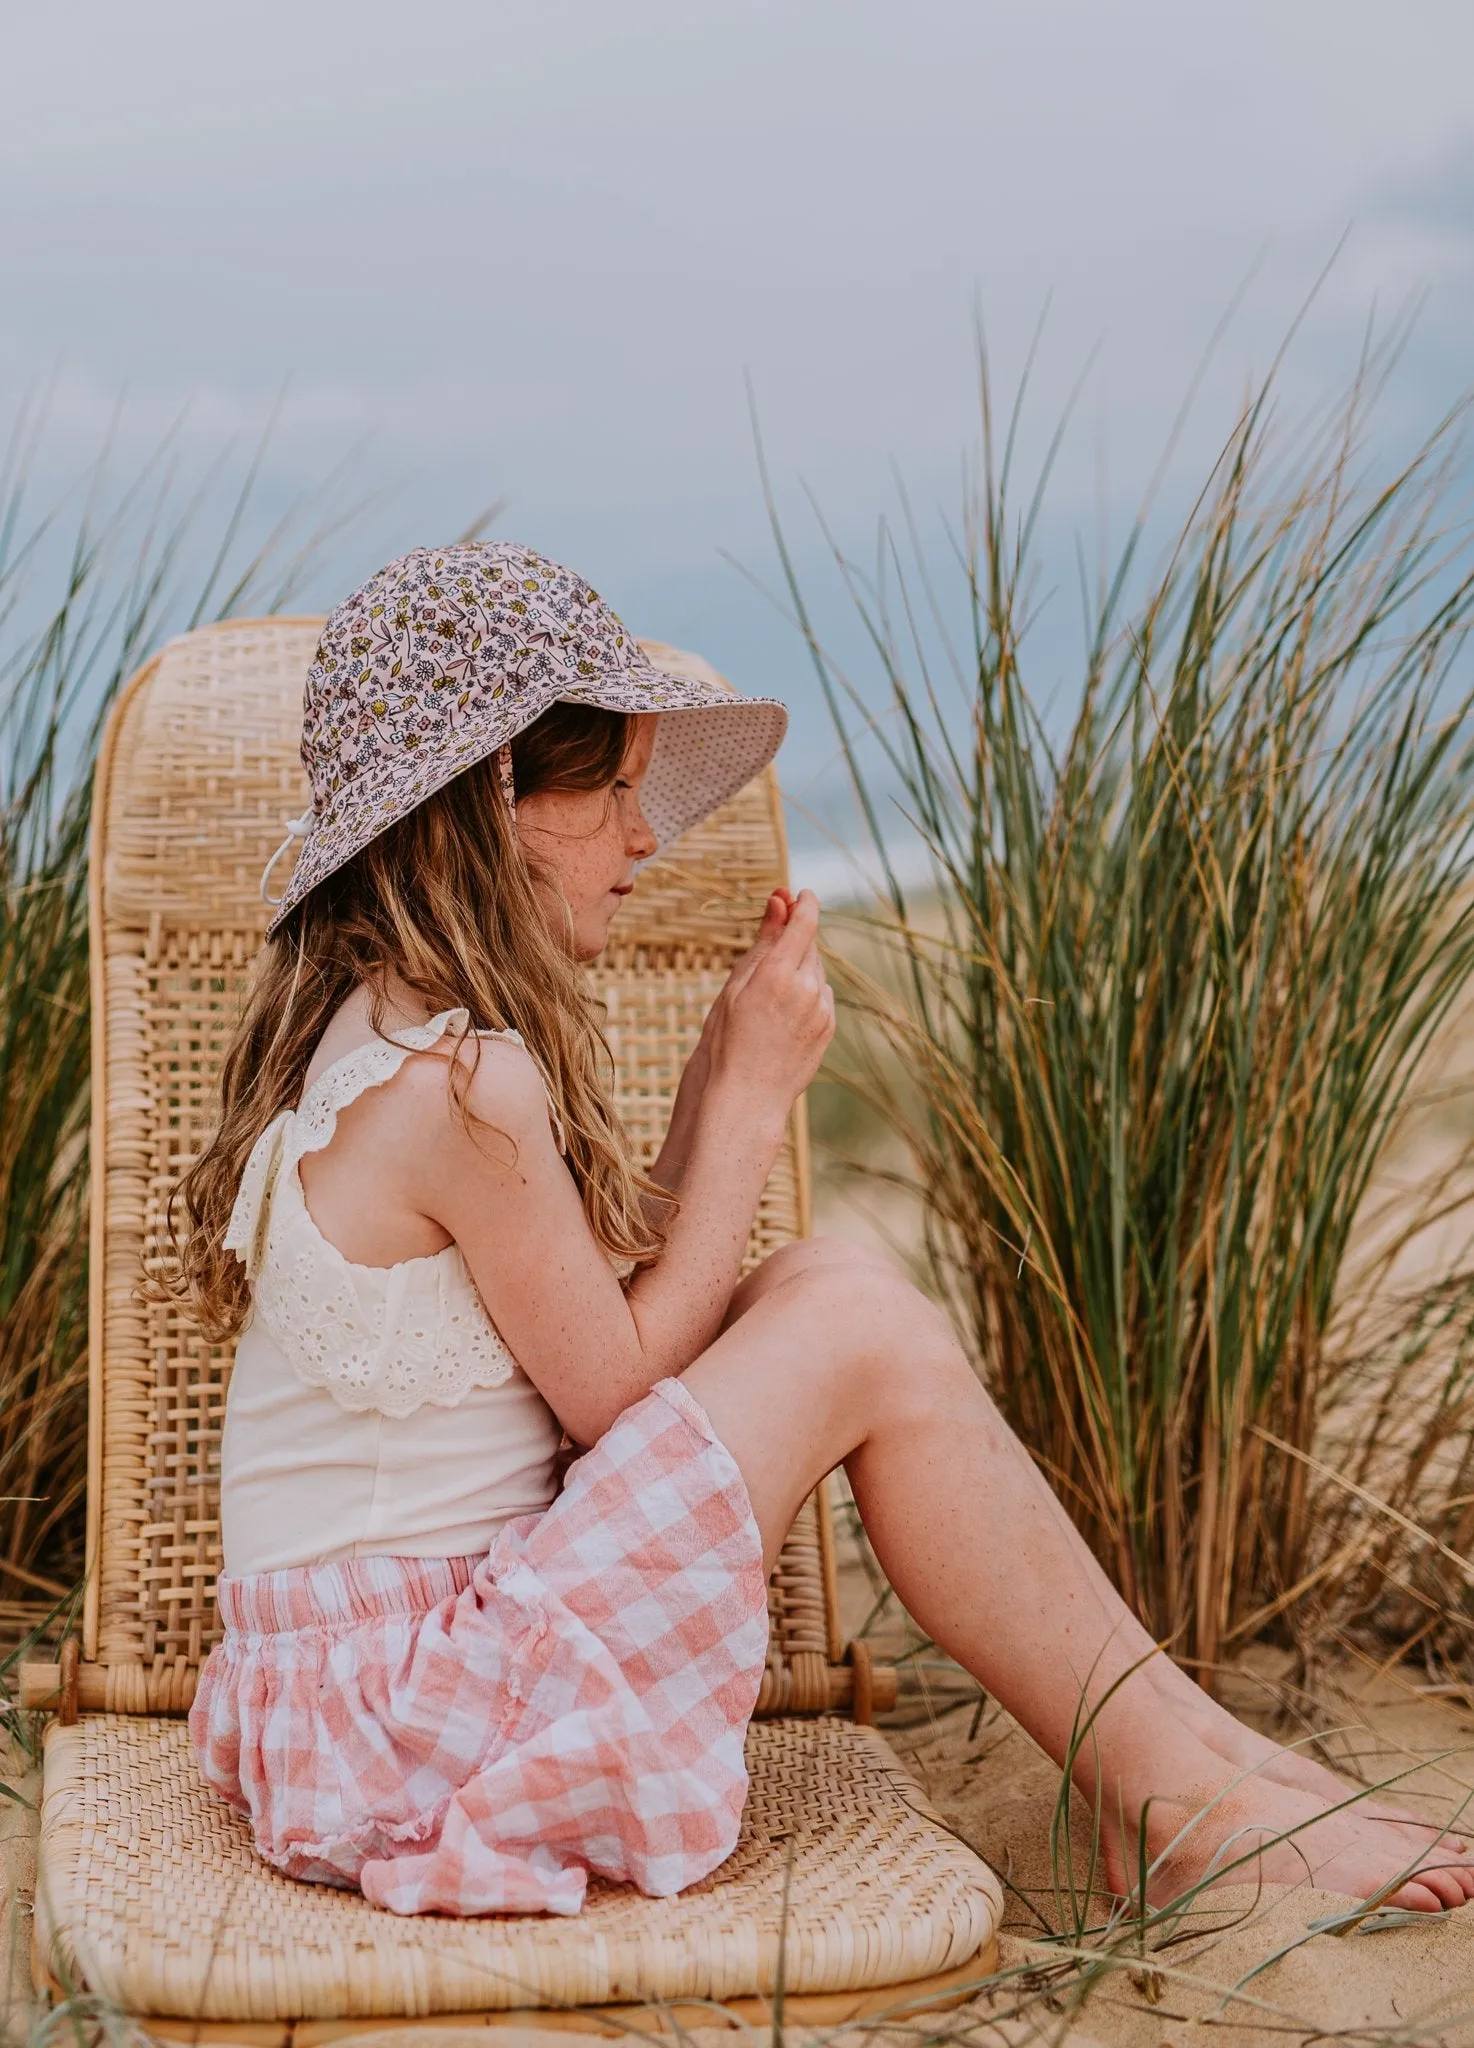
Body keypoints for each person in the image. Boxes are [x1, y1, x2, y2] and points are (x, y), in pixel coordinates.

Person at [171, 542, 1474, 1920]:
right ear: (497, 799)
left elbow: (583, 1340)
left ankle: (1202, 1762)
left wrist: (703, 1087)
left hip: (360, 1699)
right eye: (612, 794)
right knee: (848, 1319)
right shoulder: (457, 1088)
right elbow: (615, 1399)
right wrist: (742, 1109)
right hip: (417, 1724)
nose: (643, 837)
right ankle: (1172, 1791)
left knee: (823, 1274)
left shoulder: (378, 1038)